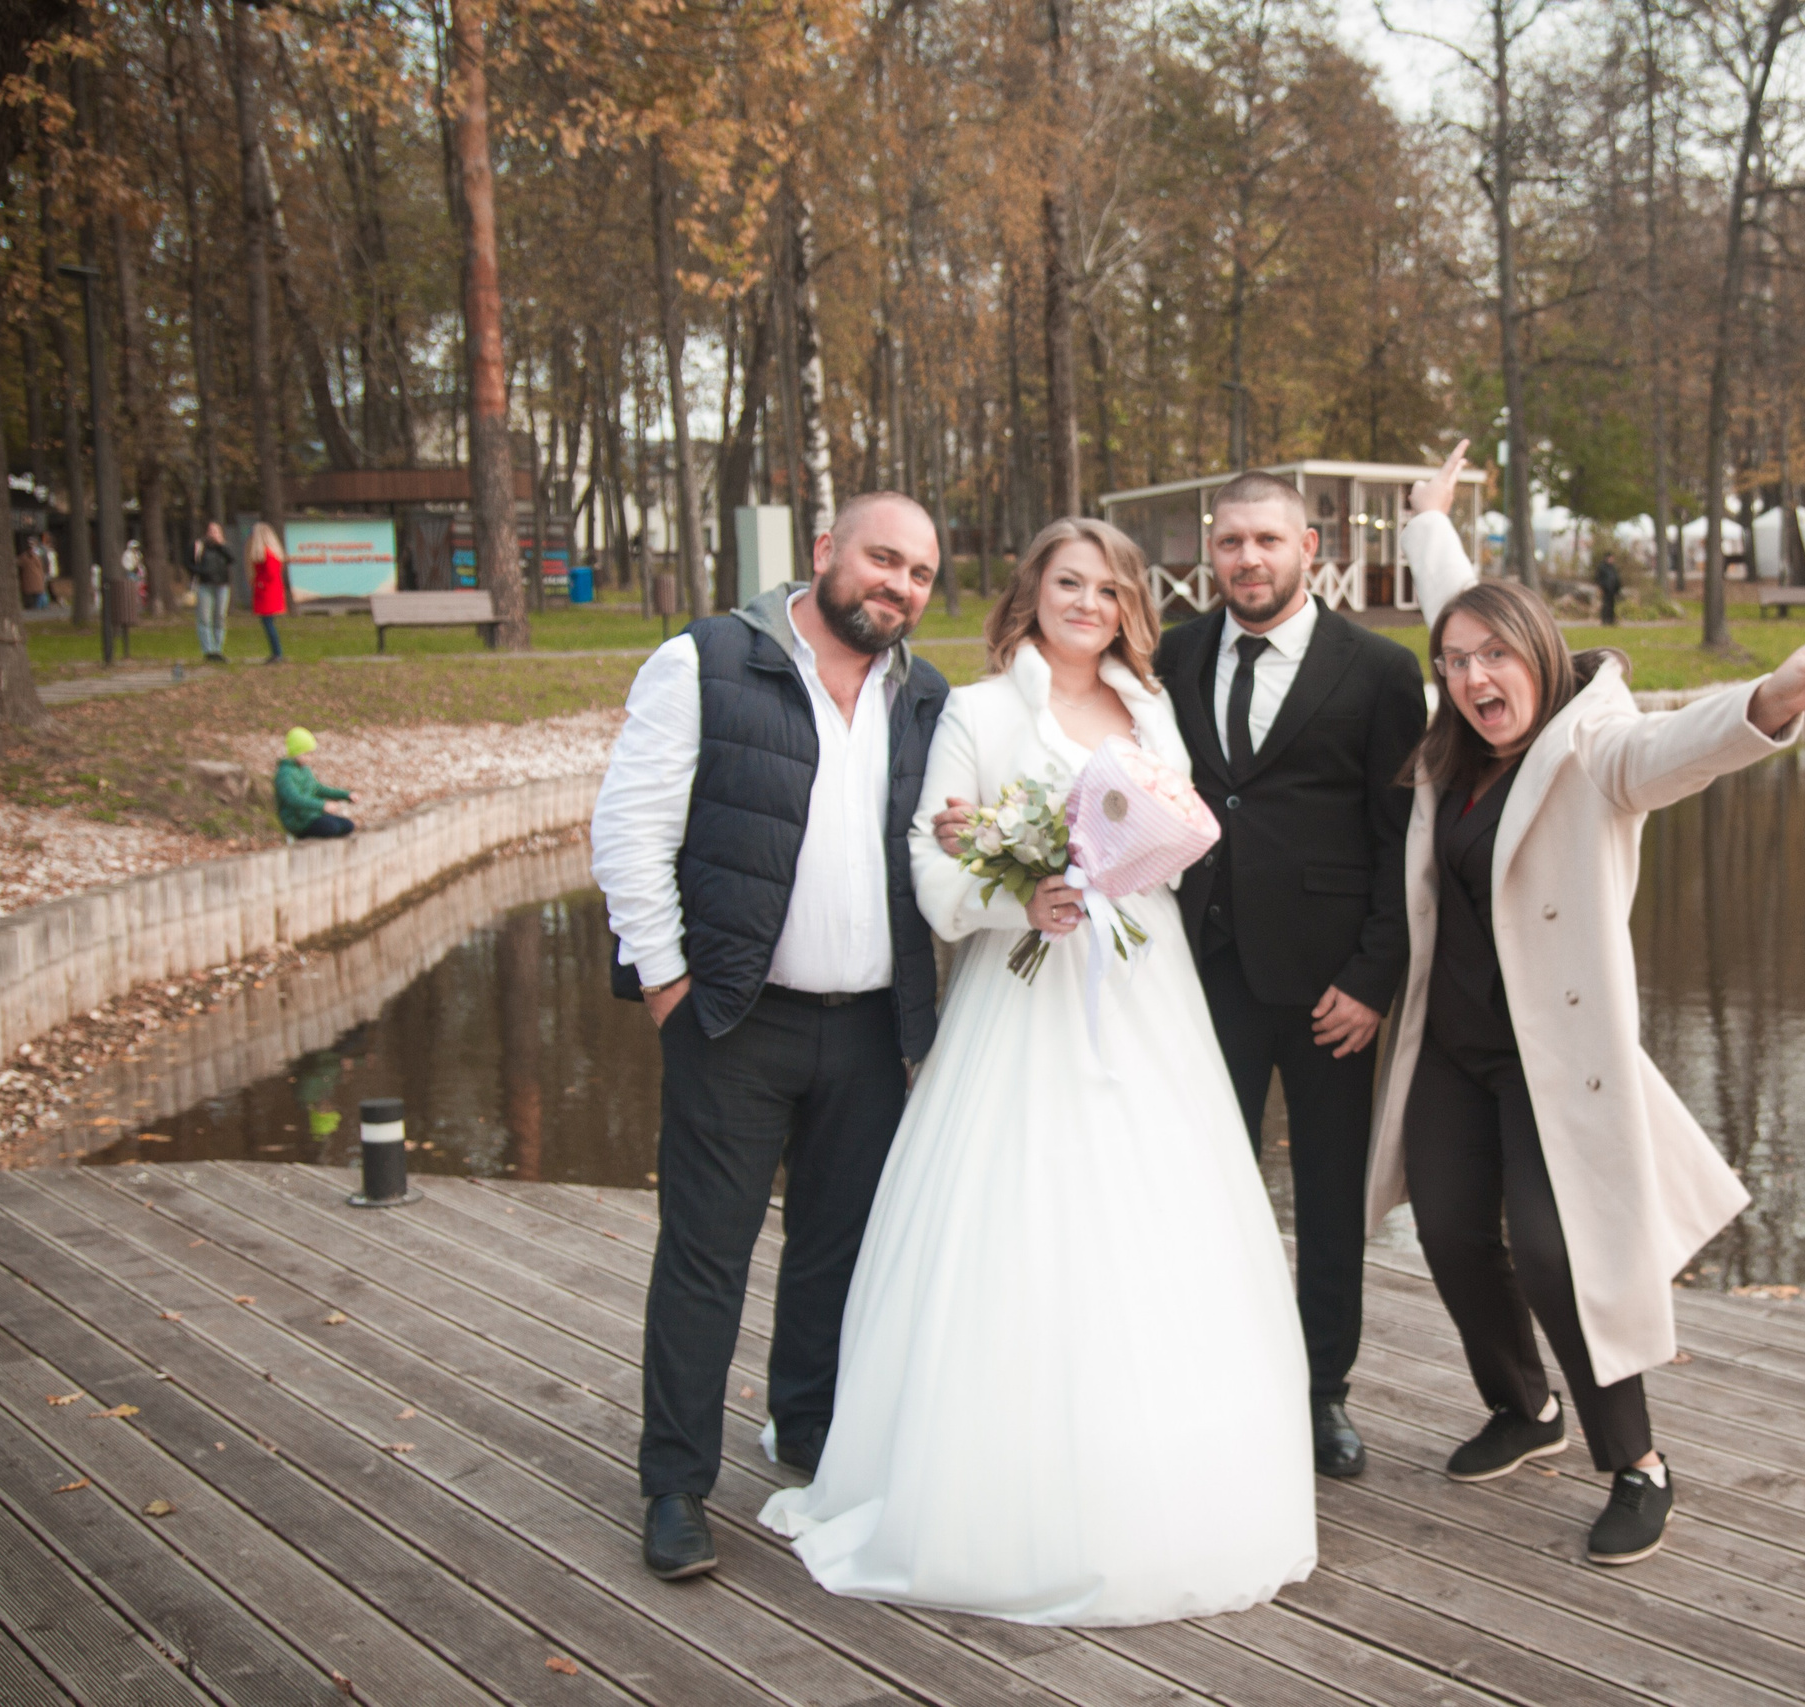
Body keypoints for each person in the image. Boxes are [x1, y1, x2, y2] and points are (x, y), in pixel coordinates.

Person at [765, 518, 1316, 1626]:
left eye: (1109, 589)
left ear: (1126, 608)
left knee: (1159, 1218)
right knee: (1018, 1217)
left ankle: (1168, 1475)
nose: (1089, 604)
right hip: (1022, 995)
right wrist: (1022, 895)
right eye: (1069, 582)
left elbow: (1171, 832)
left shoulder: (1150, 708)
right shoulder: (976, 713)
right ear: (1033, 592)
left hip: (1142, 989)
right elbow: (931, 852)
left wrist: (1137, 861)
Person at [1382, 440, 1805, 1565]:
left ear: (1541, 655)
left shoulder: (1592, 749)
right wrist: (1428, 521)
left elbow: (1678, 749)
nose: (1474, 678)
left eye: (1495, 658)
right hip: (1454, 1052)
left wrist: (1771, 697)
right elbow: (1452, 605)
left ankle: (1639, 1462)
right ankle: (1525, 1410)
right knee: (1455, 1233)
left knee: (1559, 1254)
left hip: (1552, 1059)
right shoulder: (1458, 746)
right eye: (1456, 662)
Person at [588, 492, 950, 1583]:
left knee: (836, 1255)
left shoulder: (924, 696)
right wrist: (667, 987)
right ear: (826, 550)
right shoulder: (705, 662)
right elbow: (628, 832)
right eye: (883, 558)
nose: (898, 585)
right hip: (736, 1019)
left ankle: (806, 1434)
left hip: (872, 1031)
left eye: (921, 573)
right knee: (706, 1257)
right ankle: (675, 1486)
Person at [1150, 467, 1428, 1478]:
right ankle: (1215, 1374)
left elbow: (1403, 841)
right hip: (1199, 975)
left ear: (1309, 546)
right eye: (1229, 544)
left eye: (1267, 541)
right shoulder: (1172, 658)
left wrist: (1372, 978)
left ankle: (1321, 1391)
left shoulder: (1379, 671)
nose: (1247, 560)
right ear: (1208, 553)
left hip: (1329, 992)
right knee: (1203, 1187)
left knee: (1325, 1195)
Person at [274, 727, 355, 839]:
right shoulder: (285, 774)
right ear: (296, 752)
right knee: (332, 827)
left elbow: (318, 789)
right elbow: (294, 799)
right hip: (298, 821)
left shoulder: (304, 770)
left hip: (311, 816)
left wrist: (346, 795)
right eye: (306, 754)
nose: (309, 758)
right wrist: (322, 805)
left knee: (348, 825)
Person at [192, 523, 235, 660]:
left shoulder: (224, 547)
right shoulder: (200, 546)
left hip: (222, 585)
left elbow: (232, 559)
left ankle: (218, 649)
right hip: (205, 584)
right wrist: (201, 572)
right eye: (210, 531)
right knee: (204, 618)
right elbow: (190, 562)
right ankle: (208, 650)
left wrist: (220, 545)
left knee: (220, 617)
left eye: (216, 531)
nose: (213, 533)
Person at [246, 522, 288, 664]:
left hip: (267, 593)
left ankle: (277, 653)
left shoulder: (267, 553)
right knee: (268, 623)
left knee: (268, 623)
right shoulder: (272, 552)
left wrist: (259, 582)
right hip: (269, 591)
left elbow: (270, 573)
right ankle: (276, 652)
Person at [17, 538, 48, 611]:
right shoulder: (37, 556)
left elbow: (19, 563)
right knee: (39, 593)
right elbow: (41, 566)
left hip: (29, 579)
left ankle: (35, 606)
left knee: (32, 594)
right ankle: (39, 606)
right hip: (37, 578)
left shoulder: (23, 557)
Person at [1594, 552, 1622, 626]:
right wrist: (1601, 587)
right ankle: (1605, 620)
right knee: (1606, 605)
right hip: (1605, 589)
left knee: (1612, 605)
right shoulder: (1602, 567)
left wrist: (1617, 588)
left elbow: (1616, 578)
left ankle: (1611, 620)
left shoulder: (1613, 567)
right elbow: (1598, 578)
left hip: (1613, 589)